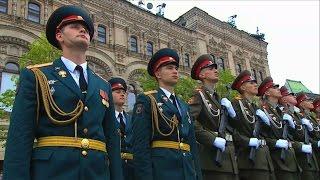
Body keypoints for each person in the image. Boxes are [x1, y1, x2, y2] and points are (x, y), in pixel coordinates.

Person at [3, 5, 122, 180]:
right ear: (59, 36)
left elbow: (112, 140)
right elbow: (19, 138)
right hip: (52, 172)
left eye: (87, 29)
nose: (83, 30)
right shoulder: (37, 76)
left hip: (97, 173)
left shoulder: (103, 85)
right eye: (74, 26)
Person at [132, 48, 202, 180]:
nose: (175, 71)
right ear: (158, 74)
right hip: (163, 171)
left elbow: (192, 145)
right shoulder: (148, 100)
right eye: (169, 68)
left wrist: (197, 174)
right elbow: (141, 146)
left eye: (176, 68)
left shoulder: (184, 105)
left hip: (187, 171)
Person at [188, 54, 238, 180]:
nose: (216, 70)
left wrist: (232, 114)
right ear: (202, 75)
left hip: (229, 156)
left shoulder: (218, 98)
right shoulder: (198, 95)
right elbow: (190, 122)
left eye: (216, 68)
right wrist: (212, 139)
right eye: (210, 68)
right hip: (211, 158)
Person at [230, 70, 275, 180]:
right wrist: (246, 141)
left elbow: (265, 133)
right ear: (243, 88)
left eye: (255, 82)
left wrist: (268, 124)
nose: (255, 85)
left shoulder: (255, 107)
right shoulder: (236, 104)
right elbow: (231, 129)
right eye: (251, 83)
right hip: (249, 160)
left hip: (264, 159)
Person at [258, 77, 301, 180]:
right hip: (278, 160)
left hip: (292, 160)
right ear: (267, 93)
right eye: (274, 87)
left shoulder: (281, 112)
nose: (278, 88)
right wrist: (275, 143)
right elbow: (262, 137)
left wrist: (293, 126)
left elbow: (296, 136)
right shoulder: (263, 111)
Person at [279, 87, 319, 180]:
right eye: (289, 95)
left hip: (311, 156)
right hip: (300, 157)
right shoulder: (284, 114)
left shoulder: (298, 116)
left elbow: (308, 134)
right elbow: (292, 136)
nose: (293, 96)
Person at [109, 77, 134, 180]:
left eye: (124, 92)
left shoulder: (132, 119)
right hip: (112, 166)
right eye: (118, 92)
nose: (122, 94)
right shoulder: (106, 117)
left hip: (132, 169)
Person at [296, 93, 320, 176]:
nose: (311, 101)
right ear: (302, 104)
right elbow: (301, 136)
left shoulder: (311, 118)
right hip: (306, 155)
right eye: (307, 100)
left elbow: (316, 133)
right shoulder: (300, 117)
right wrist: (316, 143)